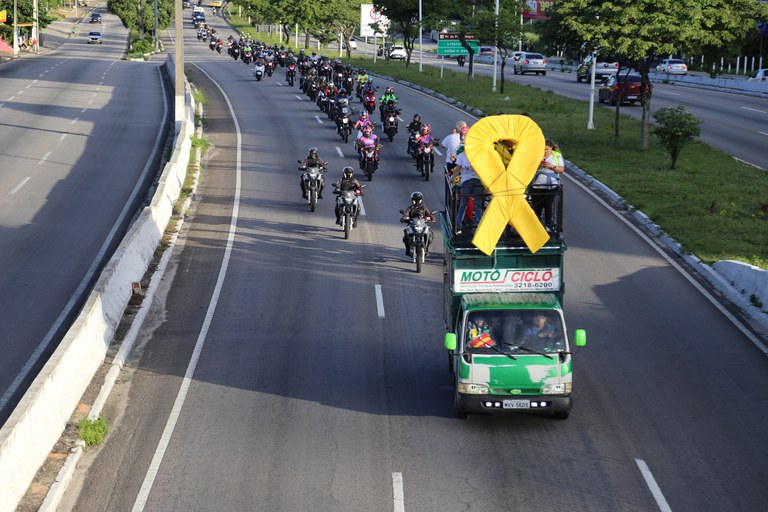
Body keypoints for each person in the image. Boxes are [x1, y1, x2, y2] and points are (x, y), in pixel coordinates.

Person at [450, 127, 484, 234]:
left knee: (470, 204)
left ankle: (465, 224)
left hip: (471, 182)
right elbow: (457, 169)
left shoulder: (467, 156)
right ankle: (468, 223)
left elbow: (457, 170)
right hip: (472, 182)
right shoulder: (469, 156)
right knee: (471, 203)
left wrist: (451, 179)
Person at [529, 139, 565, 230]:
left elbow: (561, 170)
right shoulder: (536, 155)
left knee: (548, 207)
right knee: (537, 208)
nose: (544, 151)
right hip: (536, 186)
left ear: (551, 148)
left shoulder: (556, 156)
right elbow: (528, 169)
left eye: (547, 149)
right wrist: (537, 165)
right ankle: (535, 227)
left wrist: (551, 166)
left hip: (551, 186)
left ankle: (549, 226)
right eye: (543, 149)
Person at [400, 191, 435, 256]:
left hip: (422, 225)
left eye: (418, 200)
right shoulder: (410, 208)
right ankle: (408, 250)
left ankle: (426, 248)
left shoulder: (424, 208)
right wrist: (404, 218)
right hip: (413, 225)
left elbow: (429, 214)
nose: (416, 202)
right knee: (405, 238)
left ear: (421, 200)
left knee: (430, 235)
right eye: (415, 200)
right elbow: (406, 214)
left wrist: (432, 218)